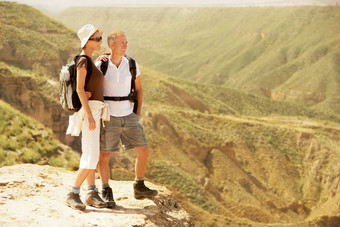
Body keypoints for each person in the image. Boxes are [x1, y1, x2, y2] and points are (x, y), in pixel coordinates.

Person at [95, 30, 158, 208]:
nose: (125, 46)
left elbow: (139, 90)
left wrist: (137, 113)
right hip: (109, 116)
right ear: (111, 45)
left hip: (128, 113)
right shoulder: (101, 65)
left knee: (143, 150)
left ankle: (139, 185)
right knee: (105, 155)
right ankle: (106, 190)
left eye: (126, 43)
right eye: (122, 43)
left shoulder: (131, 64)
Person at [65, 24, 109, 211]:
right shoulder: (83, 60)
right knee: (91, 155)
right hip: (90, 111)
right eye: (97, 39)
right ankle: (73, 193)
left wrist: (97, 63)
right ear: (87, 41)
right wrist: (90, 116)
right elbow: (80, 89)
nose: (101, 41)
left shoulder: (88, 60)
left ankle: (90, 192)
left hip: (94, 110)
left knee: (91, 152)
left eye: (101, 38)